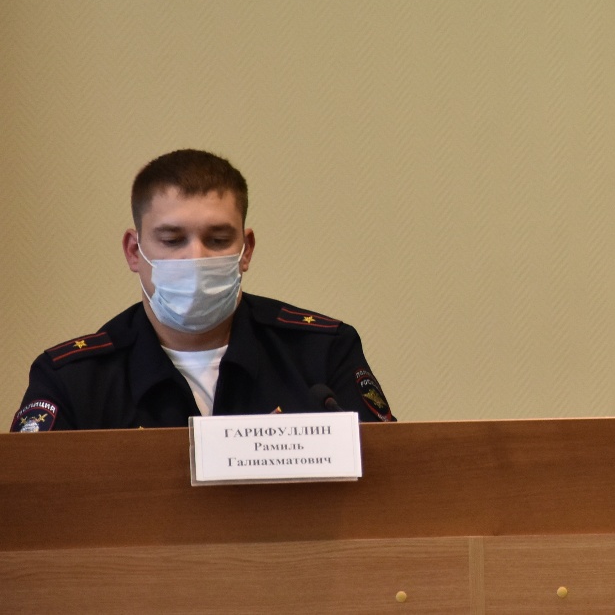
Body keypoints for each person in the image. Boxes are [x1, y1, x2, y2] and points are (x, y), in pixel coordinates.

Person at [9, 149, 395, 431]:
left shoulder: (321, 354)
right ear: (134, 251)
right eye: (172, 239)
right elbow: (28, 507)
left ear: (246, 250)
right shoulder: (74, 380)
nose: (196, 257)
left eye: (217, 239)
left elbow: (389, 478)